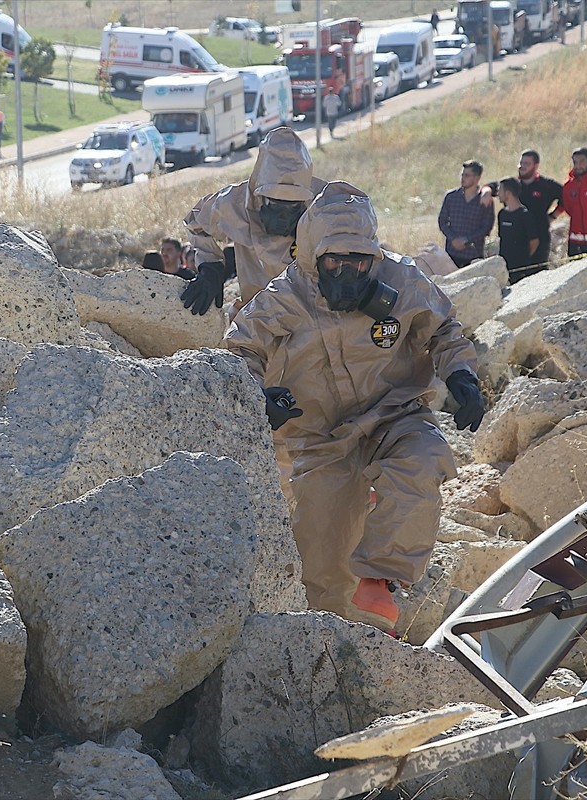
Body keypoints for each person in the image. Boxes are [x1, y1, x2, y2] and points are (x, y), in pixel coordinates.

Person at [225, 181, 484, 630]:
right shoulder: (287, 295)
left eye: (359, 261)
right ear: (312, 259)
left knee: (424, 460)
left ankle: (381, 579)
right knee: (322, 559)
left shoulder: (402, 281)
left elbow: (445, 331)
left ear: (374, 256)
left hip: (394, 413)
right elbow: (238, 352)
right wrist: (257, 398)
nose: (347, 271)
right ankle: (331, 645)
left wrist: (462, 376)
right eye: (335, 262)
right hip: (321, 438)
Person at [182, 127, 328, 317]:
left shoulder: (325, 204)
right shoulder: (234, 203)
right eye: (276, 204)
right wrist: (211, 266)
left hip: (313, 313)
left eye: (292, 205)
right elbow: (196, 223)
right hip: (258, 314)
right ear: (260, 192)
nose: (283, 215)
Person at [437, 160, 494, 268]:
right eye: (462, 174)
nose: (463, 178)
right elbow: (442, 221)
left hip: (473, 255)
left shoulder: (484, 200)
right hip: (451, 254)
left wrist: (467, 240)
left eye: (467, 175)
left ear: (476, 178)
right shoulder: (451, 197)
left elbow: (486, 227)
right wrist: (453, 238)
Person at [514, 149, 563, 266]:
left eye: (527, 163)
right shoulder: (513, 185)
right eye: (521, 163)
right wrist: (486, 191)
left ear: (535, 166)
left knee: (537, 271)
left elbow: (567, 198)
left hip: (539, 235)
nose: (522, 166)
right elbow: (491, 187)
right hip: (516, 236)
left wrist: (553, 216)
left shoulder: (546, 185)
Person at [496, 177, 541, 281]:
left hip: (521, 269)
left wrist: (524, 258)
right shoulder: (502, 214)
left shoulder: (525, 215)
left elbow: (534, 241)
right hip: (504, 268)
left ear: (508, 193)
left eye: (500, 189)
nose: (497, 193)